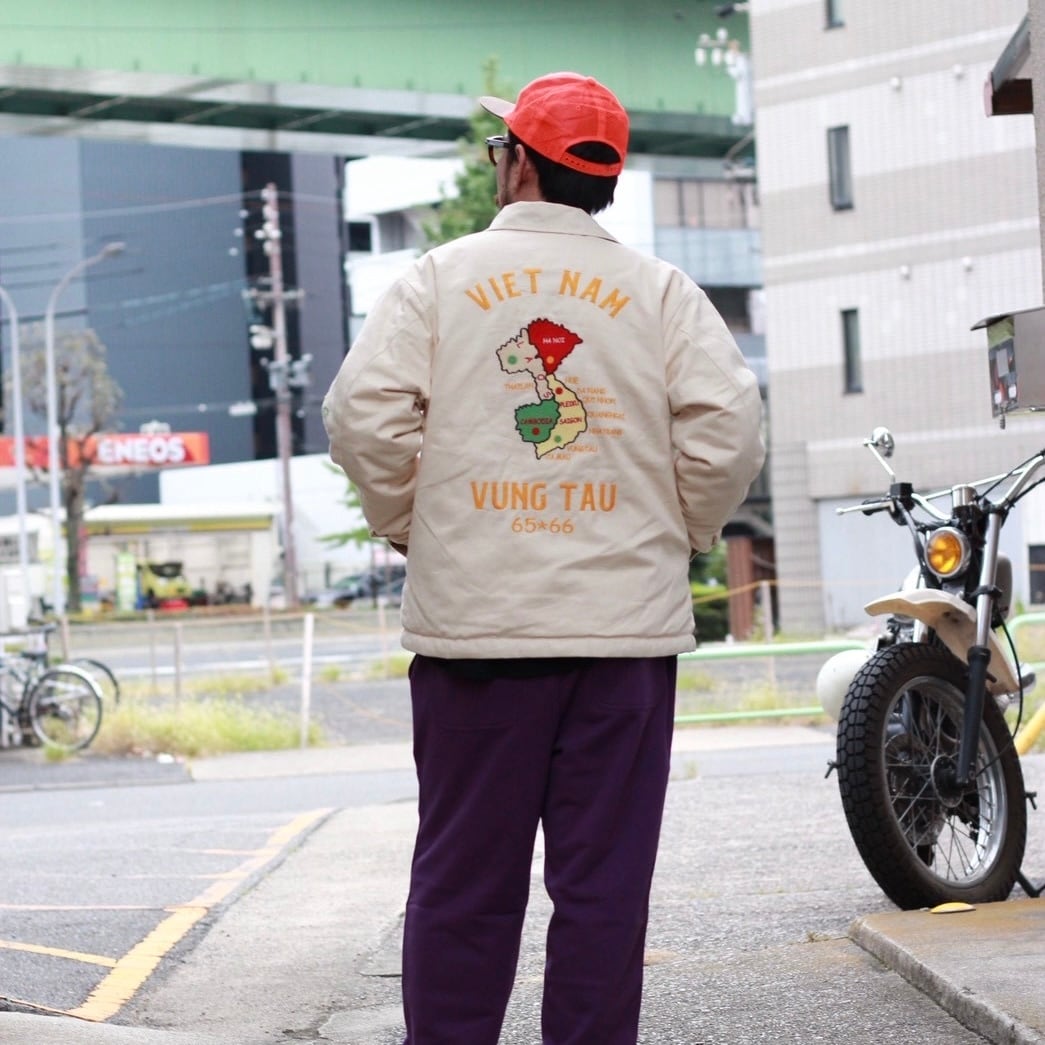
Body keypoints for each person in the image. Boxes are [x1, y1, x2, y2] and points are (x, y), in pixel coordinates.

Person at [322, 71, 765, 1045]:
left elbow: (361, 418)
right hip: (623, 639)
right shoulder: (660, 292)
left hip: (476, 633)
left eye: (500, 148)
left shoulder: (438, 279)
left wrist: (410, 523)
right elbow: (729, 431)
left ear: (518, 161)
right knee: (604, 890)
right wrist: (678, 532)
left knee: (462, 884)